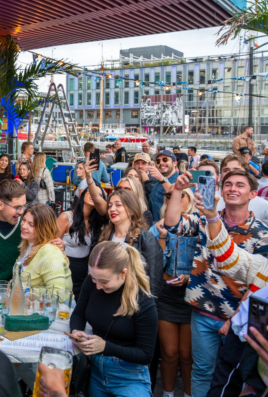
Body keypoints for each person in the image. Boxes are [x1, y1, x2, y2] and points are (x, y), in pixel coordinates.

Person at [166, 169, 268, 397]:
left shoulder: (263, 234)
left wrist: (233, 320)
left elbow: (262, 283)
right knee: (202, 372)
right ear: (221, 191)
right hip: (203, 313)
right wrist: (177, 191)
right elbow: (172, 224)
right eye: (228, 184)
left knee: (238, 377)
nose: (233, 188)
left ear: (253, 194)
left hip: (241, 321)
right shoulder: (203, 220)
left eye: (240, 185)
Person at [70, 242, 158, 397]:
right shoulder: (93, 281)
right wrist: (76, 331)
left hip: (129, 376)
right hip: (95, 370)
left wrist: (105, 347)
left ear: (123, 273)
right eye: (94, 278)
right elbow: (79, 314)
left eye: (104, 282)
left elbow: (145, 355)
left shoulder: (143, 301)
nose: (97, 286)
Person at [150, 187, 195, 397]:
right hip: (166, 295)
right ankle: (167, 394)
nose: (173, 198)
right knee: (169, 353)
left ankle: (188, 394)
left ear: (190, 198)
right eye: (168, 196)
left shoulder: (199, 225)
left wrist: (190, 275)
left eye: (179, 194)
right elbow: (156, 264)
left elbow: (206, 262)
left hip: (191, 297)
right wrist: (162, 237)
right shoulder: (156, 227)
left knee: (187, 355)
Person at [58, 160, 108, 299]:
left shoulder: (97, 222)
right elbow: (52, 243)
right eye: (91, 192)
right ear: (83, 194)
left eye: (98, 194)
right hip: (64, 267)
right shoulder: (66, 217)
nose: (93, 195)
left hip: (85, 272)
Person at [101, 189, 163, 299]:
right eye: (109, 206)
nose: (112, 209)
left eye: (118, 205)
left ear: (131, 210)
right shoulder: (104, 236)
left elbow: (154, 281)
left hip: (134, 300)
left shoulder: (145, 239)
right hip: (106, 296)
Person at [17, 204, 71, 290]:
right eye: (24, 220)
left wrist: (25, 291)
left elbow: (57, 293)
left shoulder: (50, 253)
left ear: (43, 228)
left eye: (31, 224)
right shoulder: (28, 244)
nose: (23, 225)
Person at [216, 154, 268, 222]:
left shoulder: (263, 206)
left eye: (237, 170)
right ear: (220, 175)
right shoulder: (209, 200)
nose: (231, 173)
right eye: (226, 170)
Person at [142, 150, 179, 222]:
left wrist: (162, 179)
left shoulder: (181, 181)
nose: (161, 163)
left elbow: (179, 199)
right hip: (154, 228)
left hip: (171, 229)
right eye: (158, 161)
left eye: (165, 159)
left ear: (175, 163)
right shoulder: (156, 184)